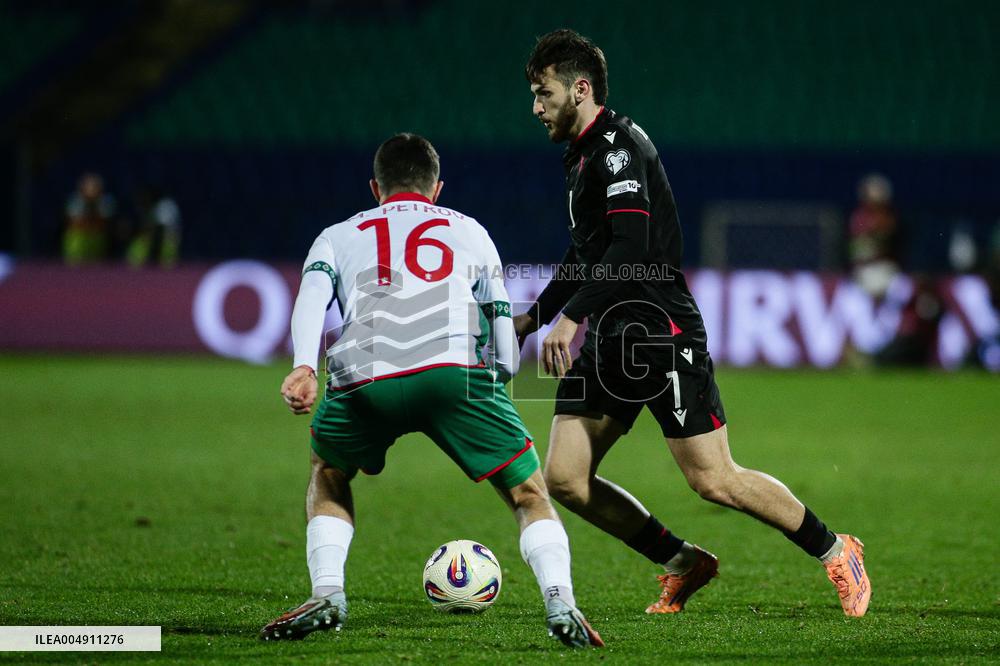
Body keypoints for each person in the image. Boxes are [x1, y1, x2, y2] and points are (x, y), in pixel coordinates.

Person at [515, 29, 871, 617]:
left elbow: (631, 245)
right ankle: (684, 562)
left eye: (543, 93)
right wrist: (536, 315)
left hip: (660, 332)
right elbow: (586, 251)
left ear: (579, 89)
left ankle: (837, 549)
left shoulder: (618, 149)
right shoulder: (580, 155)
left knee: (713, 479)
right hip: (611, 336)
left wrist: (570, 317)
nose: (535, 107)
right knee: (565, 478)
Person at [260, 133, 603, 647]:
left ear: (375, 187)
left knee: (329, 472)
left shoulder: (336, 235)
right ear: (437, 188)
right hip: (454, 372)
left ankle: (327, 592)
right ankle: (561, 601)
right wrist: (498, 377)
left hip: (364, 375)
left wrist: (304, 366)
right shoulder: (470, 231)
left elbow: (312, 296)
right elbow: (502, 324)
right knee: (528, 492)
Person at [63, 172, 116, 265]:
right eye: (89, 187)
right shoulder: (76, 201)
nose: (92, 190)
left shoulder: (105, 201)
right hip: (79, 239)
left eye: (95, 187)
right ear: (82, 188)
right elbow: (74, 222)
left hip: (97, 238)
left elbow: (105, 223)